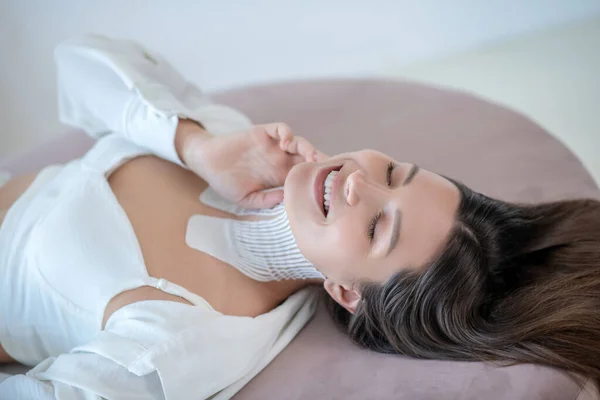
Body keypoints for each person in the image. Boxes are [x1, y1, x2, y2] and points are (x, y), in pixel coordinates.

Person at [1, 35, 599, 399]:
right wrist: (195, 145)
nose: (359, 182)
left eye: (375, 227)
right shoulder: (241, 149)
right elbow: (78, 61)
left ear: (345, 292)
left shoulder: (189, 341)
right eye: (394, 172)